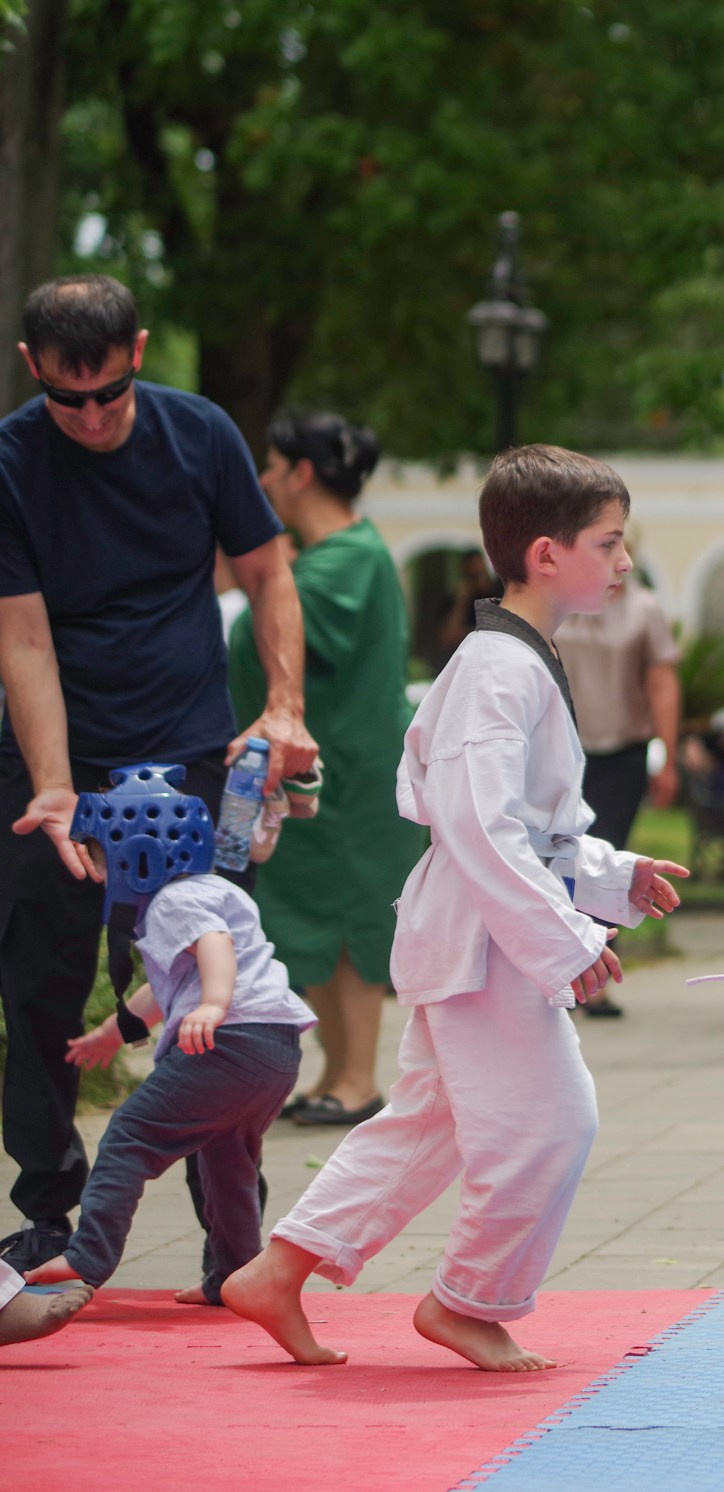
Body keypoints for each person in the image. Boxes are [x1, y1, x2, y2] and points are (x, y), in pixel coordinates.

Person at [221, 446, 689, 1372]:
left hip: (480, 924)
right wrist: (565, 942)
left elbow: (522, 826)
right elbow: (482, 827)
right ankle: (468, 1301)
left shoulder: (515, 657)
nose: (626, 561)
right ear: (547, 554)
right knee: (553, 1121)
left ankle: (279, 1270)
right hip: (485, 932)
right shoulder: (496, 668)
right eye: (611, 542)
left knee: (431, 1120)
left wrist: (612, 874)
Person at [0, 275, 316, 1277]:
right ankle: (51, 1212)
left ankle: (235, 1239)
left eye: (111, 393)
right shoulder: (10, 459)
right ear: (31, 369)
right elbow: (24, 639)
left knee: (212, 983)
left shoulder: (201, 433)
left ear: (138, 350)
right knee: (43, 986)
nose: (91, 418)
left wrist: (283, 706)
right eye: (67, 398)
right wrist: (54, 783)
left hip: (188, 753)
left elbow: (268, 571)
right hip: (56, 756)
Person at [30, 787, 315, 1303]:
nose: (97, 870)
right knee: (228, 1164)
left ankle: (87, 1257)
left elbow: (214, 946)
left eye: (99, 854)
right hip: (275, 1048)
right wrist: (110, 1033)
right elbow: (161, 991)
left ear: (139, 855)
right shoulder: (213, 890)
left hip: (227, 1042)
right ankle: (235, 1280)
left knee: (129, 1135)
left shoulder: (173, 901)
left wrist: (213, 1004)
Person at [236, 409, 428, 1129]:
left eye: (273, 466)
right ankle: (336, 1070)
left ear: (302, 473)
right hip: (329, 773)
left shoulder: (343, 558)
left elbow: (279, 623)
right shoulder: (337, 553)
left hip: (347, 779)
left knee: (349, 921)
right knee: (319, 915)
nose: (262, 481)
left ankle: (356, 1078)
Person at [551, 571, 682, 1018]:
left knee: (604, 856)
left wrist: (667, 755)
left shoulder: (643, 608)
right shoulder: (554, 602)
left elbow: (662, 681)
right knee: (553, 857)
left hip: (621, 752)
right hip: (559, 749)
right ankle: (557, 971)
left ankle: (595, 980)